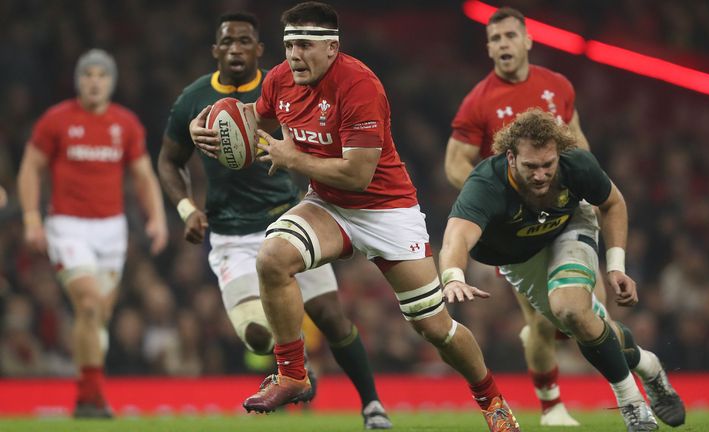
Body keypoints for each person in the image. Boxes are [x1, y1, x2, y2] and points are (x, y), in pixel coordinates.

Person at [190, 3, 521, 431]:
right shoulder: (280, 79)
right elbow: (252, 115)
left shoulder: (360, 85)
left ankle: (491, 400)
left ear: (331, 47)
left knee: (435, 327)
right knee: (272, 257)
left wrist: (293, 157)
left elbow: (357, 174)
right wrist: (213, 124)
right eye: (289, 44)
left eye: (305, 45)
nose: (293, 55)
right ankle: (292, 373)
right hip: (329, 206)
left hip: (386, 210)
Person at [158, 12, 391, 429]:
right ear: (215, 50)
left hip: (286, 220)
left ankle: (372, 404)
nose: (235, 49)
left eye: (244, 41)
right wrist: (186, 208)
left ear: (258, 49)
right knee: (257, 336)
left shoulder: (284, 86)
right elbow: (168, 161)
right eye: (226, 42)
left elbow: (322, 141)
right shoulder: (193, 100)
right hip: (230, 236)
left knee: (332, 319)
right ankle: (296, 370)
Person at [439, 108, 686, 432]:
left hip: (569, 229)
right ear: (510, 158)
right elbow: (456, 237)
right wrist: (454, 276)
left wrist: (615, 267)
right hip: (520, 260)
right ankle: (649, 365)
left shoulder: (576, 164)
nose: (541, 175)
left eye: (547, 165)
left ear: (558, 155)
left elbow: (613, 203)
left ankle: (633, 406)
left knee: (569, 309)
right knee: (591, 325)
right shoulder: (486, 184)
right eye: (531, 166)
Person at [446, 7, 606, 426]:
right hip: (517, 229)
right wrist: (495, 199)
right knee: (539, 320)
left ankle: (628, 379)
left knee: (592, 310)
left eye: (510, 37)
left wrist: (588, 192)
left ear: (528, 40)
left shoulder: (557, 86)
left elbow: (578, 143)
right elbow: (454, 164)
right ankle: (552, 405)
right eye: (495, 39)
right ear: (488, 48)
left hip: (566, 213)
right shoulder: (478, 101)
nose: (503, 45)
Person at [17, 49, 168, 418]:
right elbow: (30, 169)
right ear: (78, 80)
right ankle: (90, 398)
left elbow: (143, 175)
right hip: (68, 227)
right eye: (88, 75)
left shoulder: (126, 124)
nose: (94, 82)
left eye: (101, 75)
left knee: (98, 317)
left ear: (112, 82)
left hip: (111, 231)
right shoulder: (57, 121)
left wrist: (157, 218)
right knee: (87, 303)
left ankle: (87, 388)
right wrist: (33, 219)